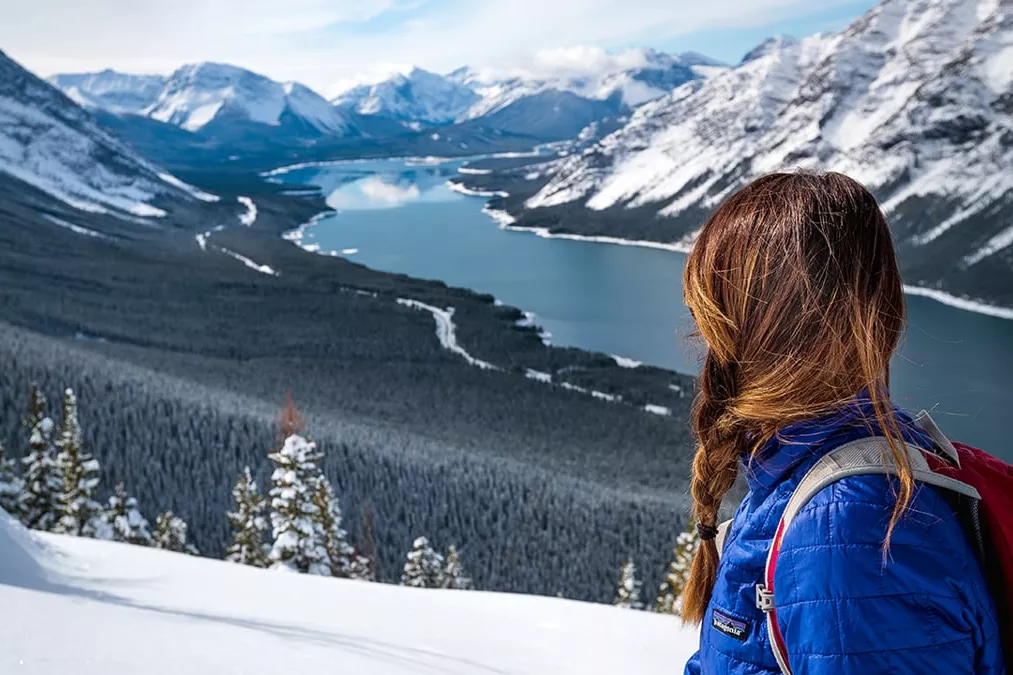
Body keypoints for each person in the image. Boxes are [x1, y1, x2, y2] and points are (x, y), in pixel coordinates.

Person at [680, 172, 1005, 674]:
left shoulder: (847, 529)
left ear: (756, 325)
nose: (700, 336)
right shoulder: (814, 478)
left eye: (709, 312)